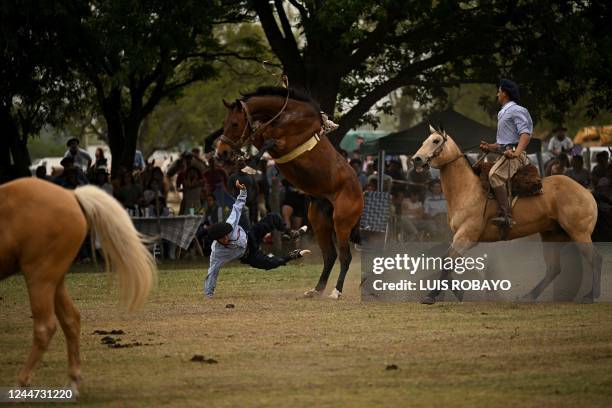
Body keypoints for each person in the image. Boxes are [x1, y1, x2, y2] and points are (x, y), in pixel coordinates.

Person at [204, 180, 310, 298]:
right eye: (221, 239)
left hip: (251, 236)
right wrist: (209, 294)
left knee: (273, 217)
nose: (225, 239)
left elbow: (238, 206)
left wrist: (243, 191)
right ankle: (293, 255)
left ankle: (290, 233)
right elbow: (212, 271)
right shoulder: (217, 252)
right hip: (249, 256)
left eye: (226, 235)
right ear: (217, 241)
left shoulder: (231, 224)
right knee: (270, 263)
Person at [480, 79, 533, 228]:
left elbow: (525, 134)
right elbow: (504, 143)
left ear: (505, 93)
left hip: (516, 157)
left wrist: (517, 153)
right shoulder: (503, 113)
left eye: (498, 91)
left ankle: (506, 215)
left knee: (494, 175)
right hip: (507, 154)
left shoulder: (516, 110)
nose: (497, 94)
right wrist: (490, 147)